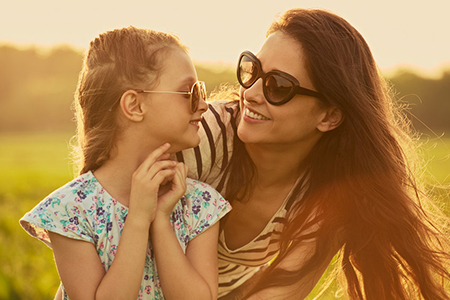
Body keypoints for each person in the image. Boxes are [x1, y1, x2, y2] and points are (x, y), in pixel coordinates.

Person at [178, 8, 450, 300]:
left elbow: (277, 295)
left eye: (278, 86)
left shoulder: (328, 196)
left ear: (329, 116)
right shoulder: (199, 136)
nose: (252, 93)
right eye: (252, 70)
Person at [20, 26, 231, 300]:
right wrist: (139, 219)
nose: (203, 104)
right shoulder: (71, 211)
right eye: (189, 92)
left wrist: (162, 222)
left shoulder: (199, 204)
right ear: (134, 105)